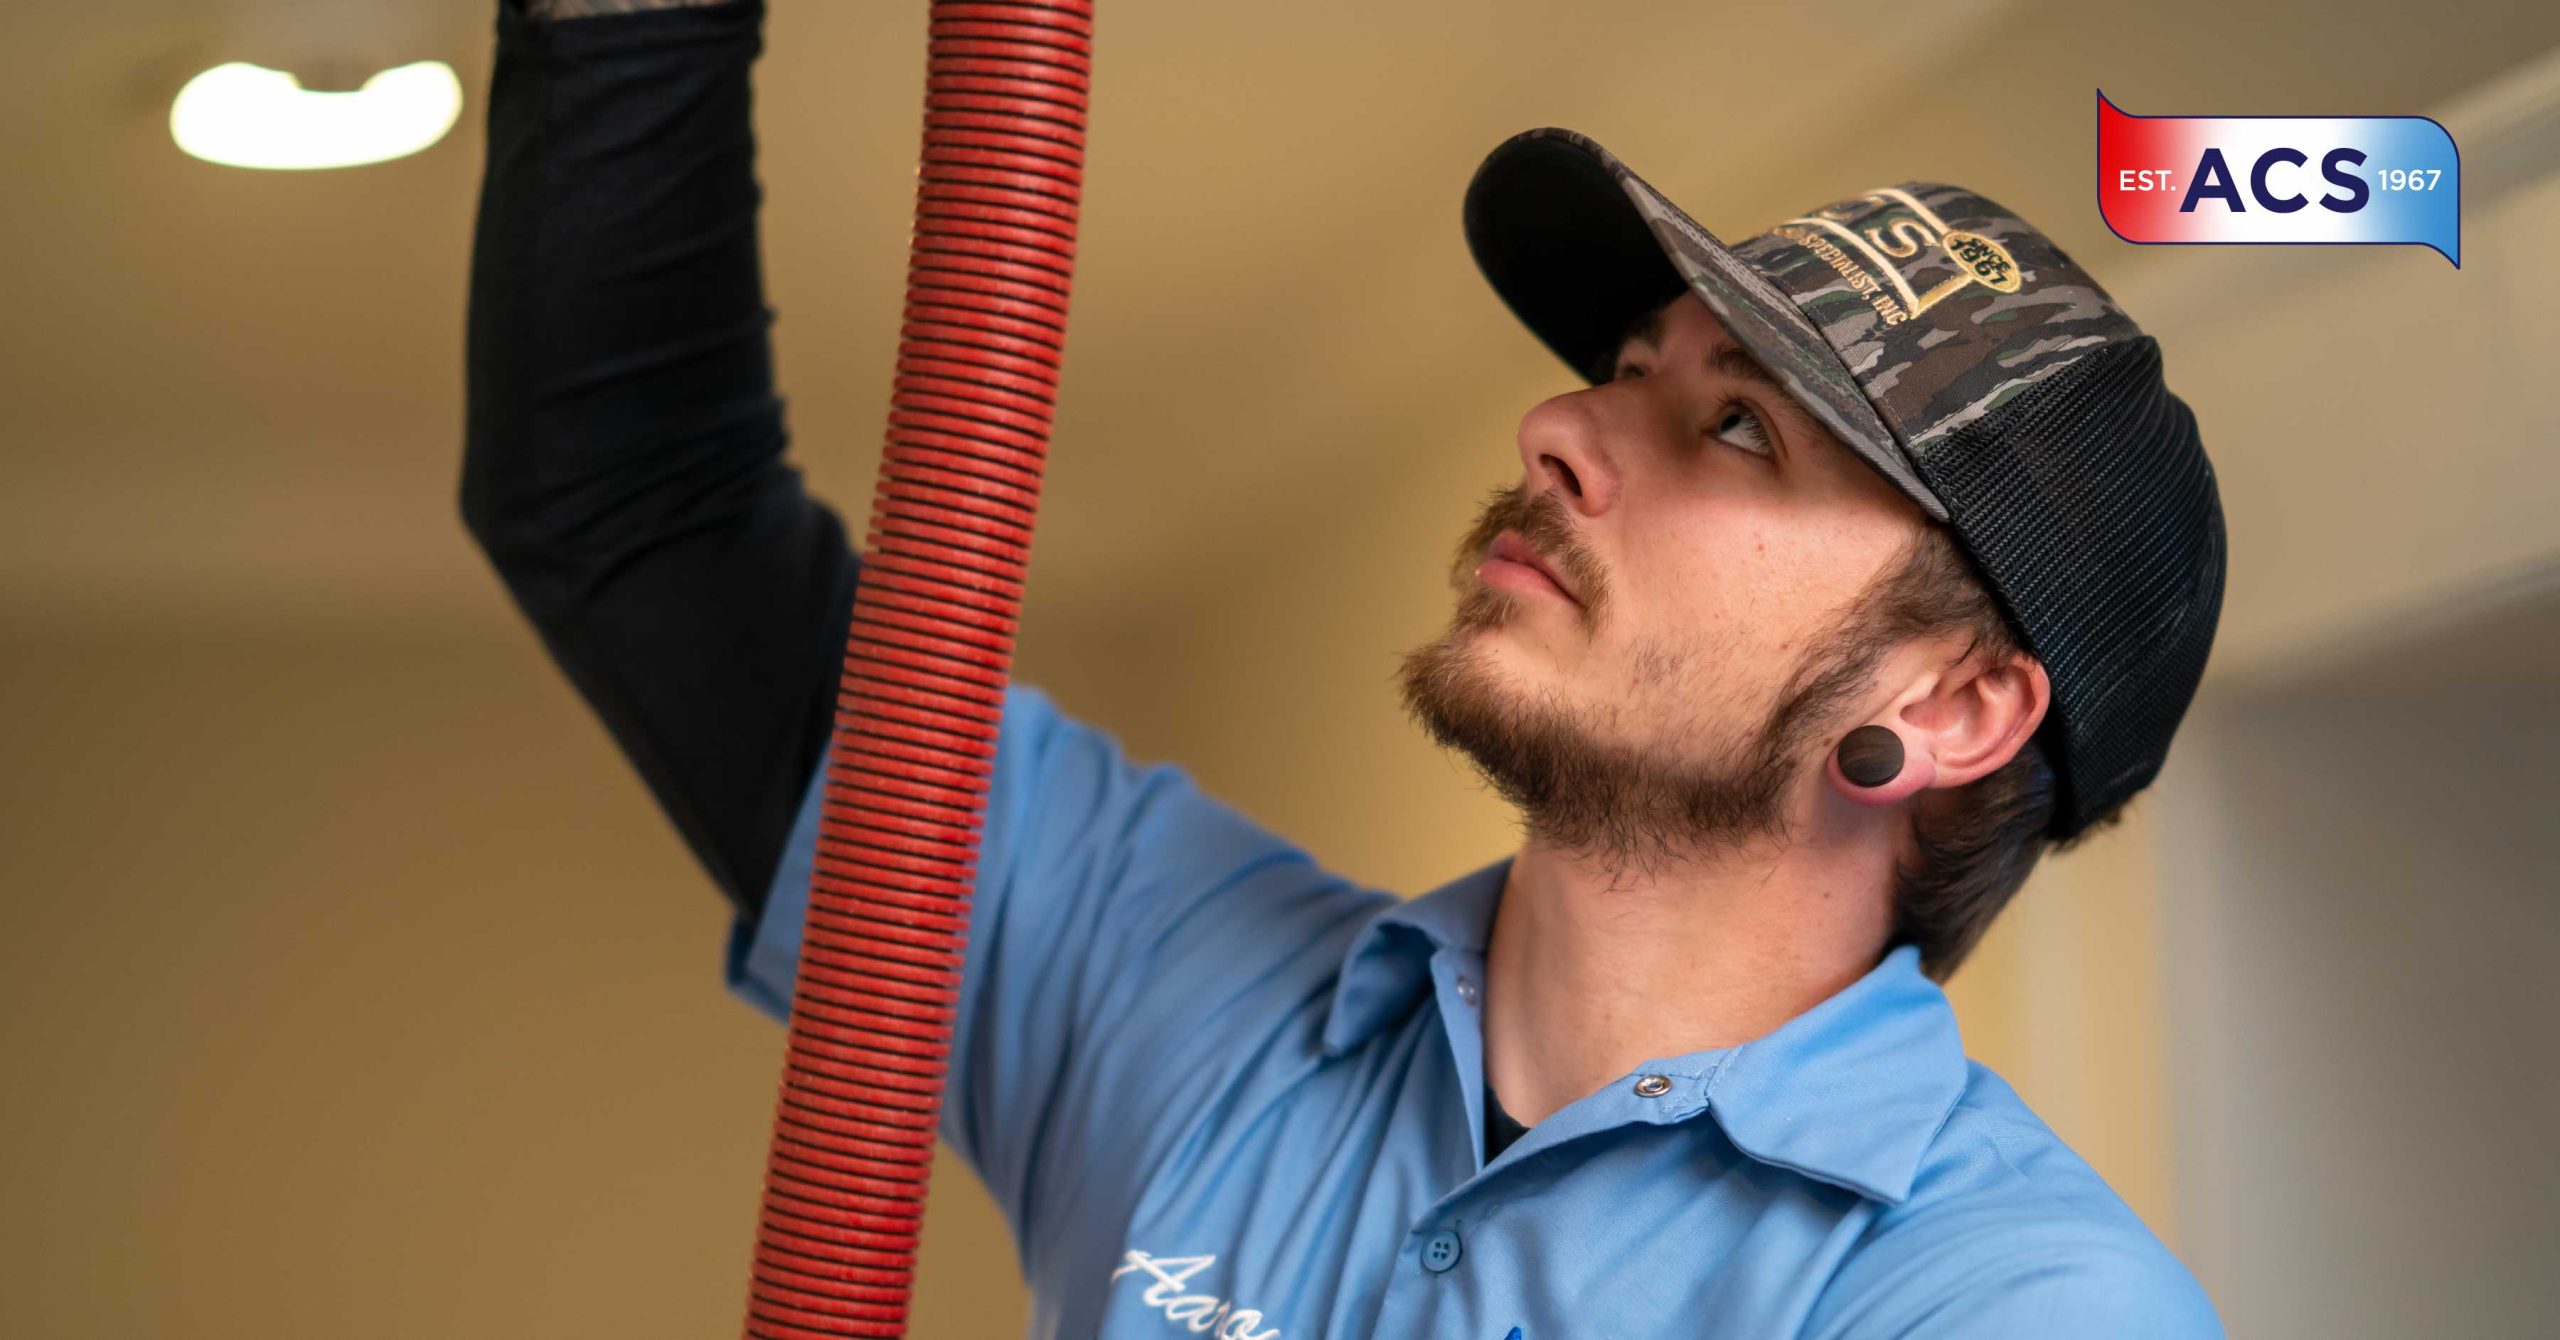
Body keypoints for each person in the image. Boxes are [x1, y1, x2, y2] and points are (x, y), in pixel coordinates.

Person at [461, 2, 2228, 1335]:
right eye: (1625, 363)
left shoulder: (1997, 1301)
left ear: (1947, 706)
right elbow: (632, 506)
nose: (1556, 425)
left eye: (1741, 432)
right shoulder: (1176, 982)